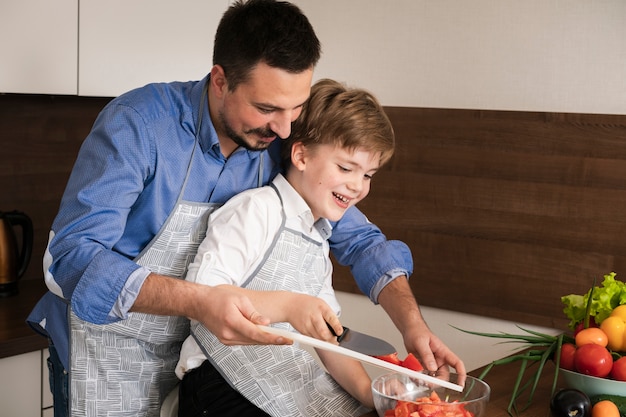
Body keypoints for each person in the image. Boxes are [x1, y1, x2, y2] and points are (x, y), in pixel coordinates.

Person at [26, 0, 465, 416]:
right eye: (267, 108)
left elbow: (364, 243)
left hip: (198, 349)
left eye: (296, 107)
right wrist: (202, 301)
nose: (286, 127)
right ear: (220, 80)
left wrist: (413, 328)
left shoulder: (276, 141)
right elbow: (71, 259)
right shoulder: (139, 126)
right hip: (109, 349)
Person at [175, 78, 393, 417]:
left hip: (278, 379)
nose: (357, 186)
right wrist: (289, 306)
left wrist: (374, 396)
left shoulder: (319, 240)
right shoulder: (255, 210)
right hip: (216, 379)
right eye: (346, 168)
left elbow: (329, 339)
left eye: (368, 175)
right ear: (301, 155)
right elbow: (202, 295)